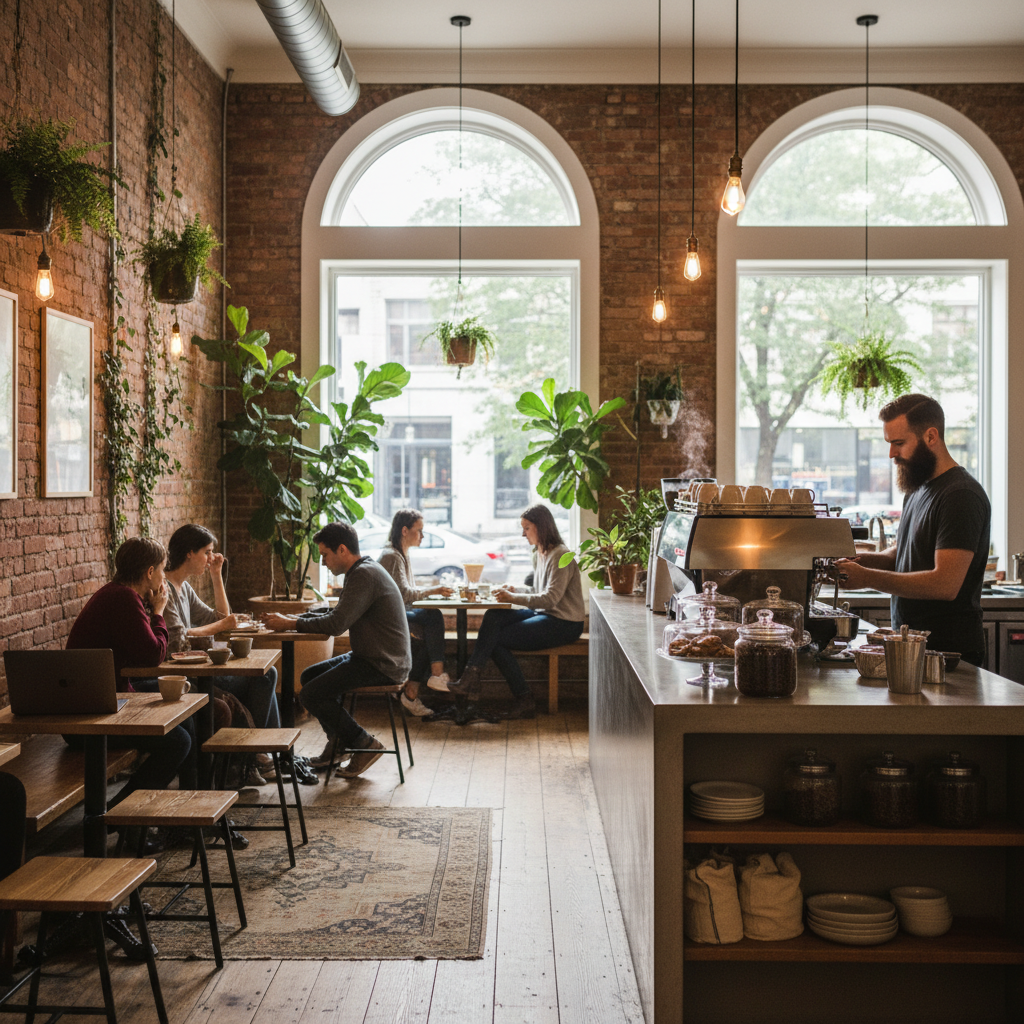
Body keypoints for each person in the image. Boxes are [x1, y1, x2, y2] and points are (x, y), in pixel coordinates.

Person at [836, 393, 991, 666]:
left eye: (899, 443)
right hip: (913, 648)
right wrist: (858, 561)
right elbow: (906, 552)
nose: (891, 454)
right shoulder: (917, 488)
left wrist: (867, 577)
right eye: (889, 444)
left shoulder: (960, 494)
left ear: (931, 436)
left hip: (949, 655)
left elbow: (945, 584)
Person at [263, 522, 412, 778]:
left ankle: (364, 743)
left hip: (384, 664)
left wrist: (290, 624)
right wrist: (297, 618)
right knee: (309, 676)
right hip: (374, 656)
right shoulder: (362, 570)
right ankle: (340, 743)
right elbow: (338, 614)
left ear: (342, 549)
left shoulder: (364, 575)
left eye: (325, 555)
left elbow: (336, 625)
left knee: (310, 694)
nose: (323, 562)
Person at [163, 524, 280, 784]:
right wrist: (222, 625)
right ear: (189, 553)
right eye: (207, 552)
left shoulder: (185, 588)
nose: (211, 558)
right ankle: (252, 759)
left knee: (267, 674)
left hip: (198, 668)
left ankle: (256, 756)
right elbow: (178, 641)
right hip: (183, 675)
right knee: (263, 677)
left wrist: (216, 575)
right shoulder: (165, 589)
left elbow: (220, 618)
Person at [446, 505, 585, 717]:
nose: (523, 534)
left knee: (496, 641)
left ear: (541, 527)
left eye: (527, 528)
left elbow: (550, 599)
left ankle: (523, 698)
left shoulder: (560, 555)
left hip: (565, 623)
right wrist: (515, 589)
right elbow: (538, 591)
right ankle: (469, 679)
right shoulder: (541, 553)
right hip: (545, 614)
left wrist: (513, 598)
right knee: (493, 616)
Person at [377, 508, 453, 716]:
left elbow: (406, 594)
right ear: (404, 531)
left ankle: (411, 692)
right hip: (387, 619)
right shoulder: (392, 556)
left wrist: (431, 593)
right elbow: (404, 595)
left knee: (429, 635)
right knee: (433, 616)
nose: (422, 536)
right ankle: (436, 675)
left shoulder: (401, 553)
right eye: (419, 530)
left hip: (397, 613)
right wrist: (434, 590)